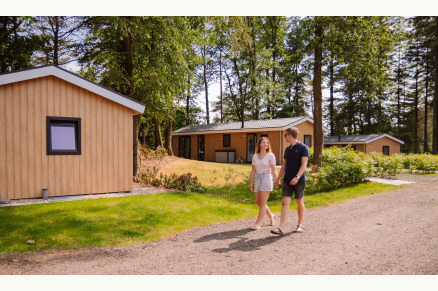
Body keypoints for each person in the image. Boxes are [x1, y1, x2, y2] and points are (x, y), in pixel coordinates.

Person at [271, 127, 309, 236]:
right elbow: (284, 165)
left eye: (285, 135)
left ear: (290, 135)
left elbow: (304, 164)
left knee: (298, 201)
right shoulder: (287, 149)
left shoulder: (303, 148)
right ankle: (281, 228)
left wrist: (297, 177)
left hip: (299, 180)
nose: (285, 137)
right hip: (287, 180)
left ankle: (300, 224)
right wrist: (278, 179)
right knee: (285, 202)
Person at [249, 137, 278, 230]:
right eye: (264, 142)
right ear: (259, 144)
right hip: (257, 178)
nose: (266, 144)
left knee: (262, 203)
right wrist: (251, 182)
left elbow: (273, 170)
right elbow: (253, 171)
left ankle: (257, 223)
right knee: (259, 203)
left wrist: (277, 180)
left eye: (267, 143)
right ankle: (272, 216)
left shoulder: (270, 156)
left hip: (266, 177)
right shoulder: (255, 156)